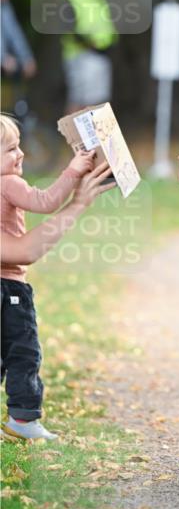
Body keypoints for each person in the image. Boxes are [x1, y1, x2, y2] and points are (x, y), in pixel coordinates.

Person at [1, 114, 114, 440]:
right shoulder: (8, 182)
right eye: (10, 149)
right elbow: (46, 201)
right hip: (10, 288)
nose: (20, 154)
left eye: (19, 146)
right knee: (24, 354)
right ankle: (22, 420)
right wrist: (74, 170)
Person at [60, 0, 118, 113]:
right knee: (79, 102)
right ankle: (72, 137)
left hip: (101, 55)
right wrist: (88, 43)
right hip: (82, 55)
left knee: (97, 103)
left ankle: (91, 138)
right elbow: (68, 26)